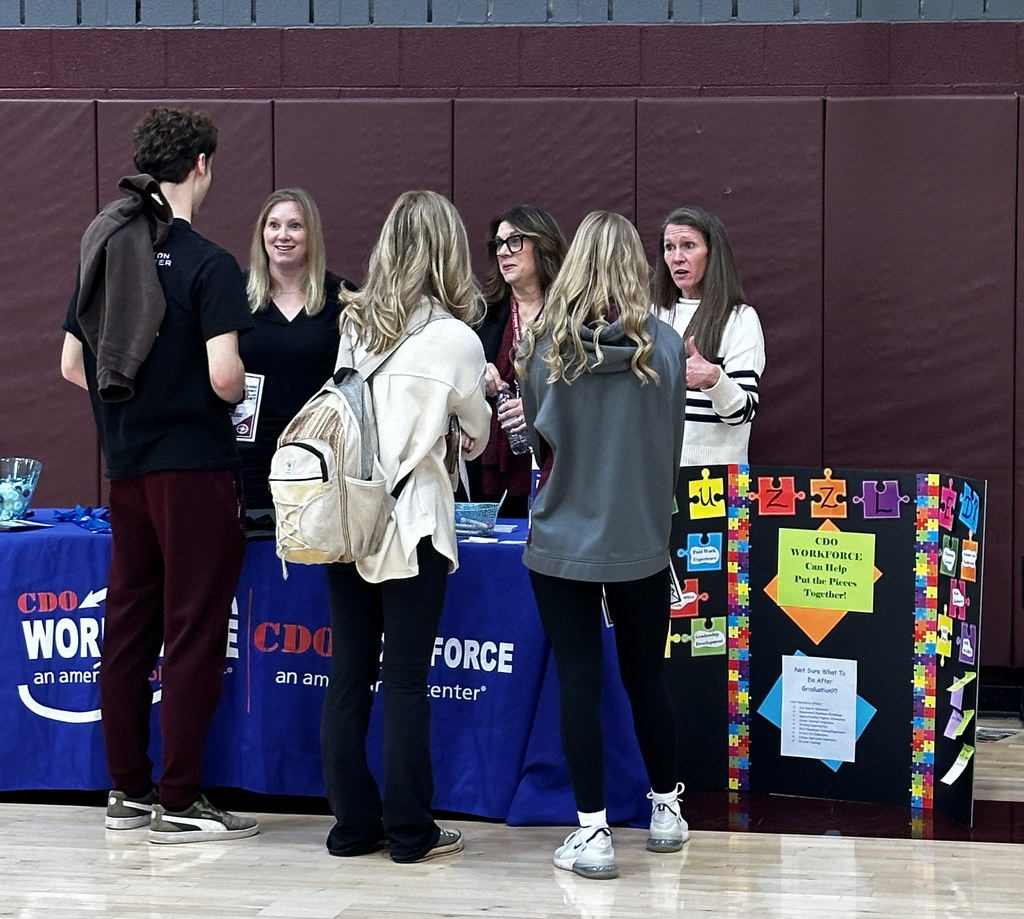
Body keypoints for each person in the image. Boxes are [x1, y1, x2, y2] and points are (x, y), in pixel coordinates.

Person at [60, 108, 259, 842]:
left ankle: (128, 790)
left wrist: (137, 405)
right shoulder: (209, 264)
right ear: (201, 164)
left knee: (130, 626)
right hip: (195, 469)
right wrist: (228, 387)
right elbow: (225, 378)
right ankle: (180, 797)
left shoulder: (106, 246)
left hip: (128, 468)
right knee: (194, 629)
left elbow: (72, 365)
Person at [319, 190, 491, 864]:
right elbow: (475, 435)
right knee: (407, 681)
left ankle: (352, 825)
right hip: (412, 520)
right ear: (448, 252)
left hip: (348, 516)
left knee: (347, 675)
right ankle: (412, 832)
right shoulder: (458, 339)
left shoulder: (355, 323)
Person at [516, 211, 688, 880]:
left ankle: (592, 833)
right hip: (642, 538)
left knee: (579, 681)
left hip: (561, 538)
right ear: (634, 264)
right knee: (649, 677)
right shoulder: (668, 347)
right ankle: (667, 809)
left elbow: (538, 443)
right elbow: (670, 444)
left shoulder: (540, 349)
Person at [238, 188, 355, 523]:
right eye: (274, 225)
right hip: (249, 464)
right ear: (262, 234)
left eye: (295, 226)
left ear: (311, 234)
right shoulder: (234, 295)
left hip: (320, 463)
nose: (283, 236)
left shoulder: (345, 299)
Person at [472, 205, 567, 518]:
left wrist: (540, 411)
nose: (503, 252)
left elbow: (592, 394)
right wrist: (475, 378)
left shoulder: (574, 317)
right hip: (492, 474)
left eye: (515, 241)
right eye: (498, 244)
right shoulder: (483, 318)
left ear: (542, 244)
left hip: (559, 468)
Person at [653, 205, 765, 466]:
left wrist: (714, 379)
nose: (677, 257)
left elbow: (743, 412)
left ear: (713, 254)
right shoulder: (653, 315)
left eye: (688, 245)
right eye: (669, 247)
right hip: (656, 476)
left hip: (722, 481)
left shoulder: (739, 319)